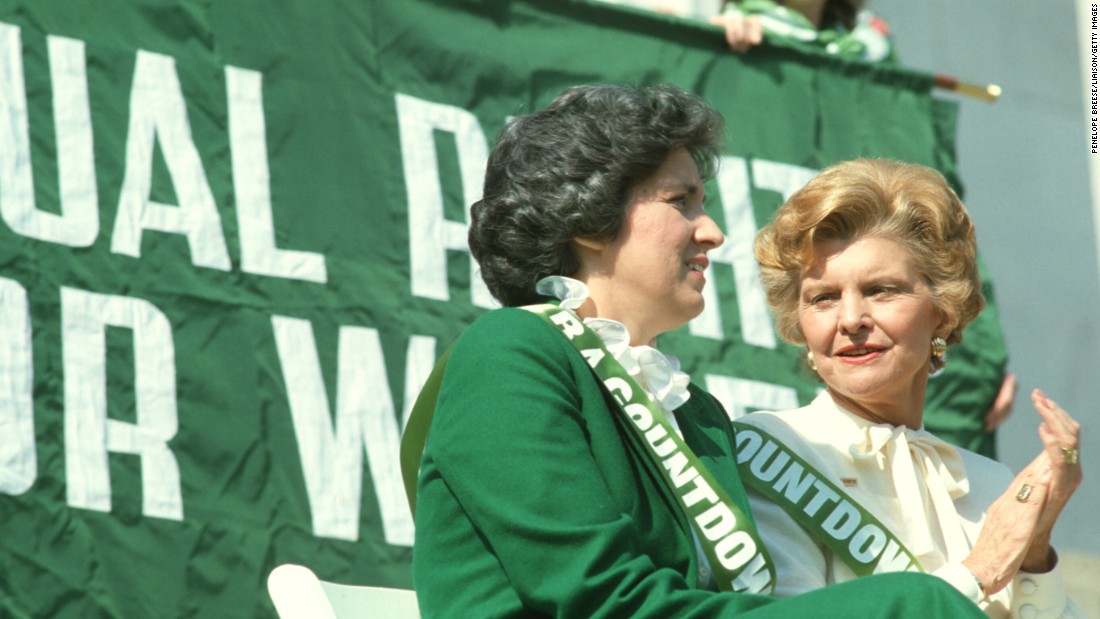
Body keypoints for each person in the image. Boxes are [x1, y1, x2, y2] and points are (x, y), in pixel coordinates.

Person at [408, 83, 1042, 617]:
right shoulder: (512, 351)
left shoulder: (698, 418)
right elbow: (608, 603)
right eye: (680, 201)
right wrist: (941, 594)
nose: (710, 231)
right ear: (588, 219)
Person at [741, 157, 1084, 617]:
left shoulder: (989, 483)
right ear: (799, 324)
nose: (850, 320)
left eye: (882, 290)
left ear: (942, 309)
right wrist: (978, 571)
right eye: (823, 298)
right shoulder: (765, 453)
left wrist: (1035, 550)